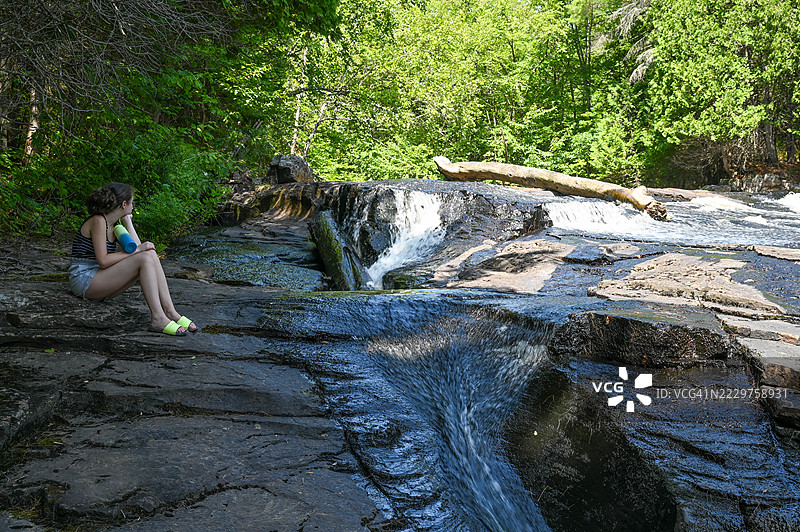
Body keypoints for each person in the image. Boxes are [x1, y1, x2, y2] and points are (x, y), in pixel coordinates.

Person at [68, 182, 198, 336]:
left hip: (99, 278)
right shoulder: (99, 221)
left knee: (149, 255)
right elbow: (103, 261)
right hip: (84, 278)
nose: (133, 206)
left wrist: (128, 222)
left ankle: (171, 312)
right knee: (144, 256)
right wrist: (137, 250)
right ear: (124, 204)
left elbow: (140, 249)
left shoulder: (115, 225)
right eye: (132, 202)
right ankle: (158, 317)